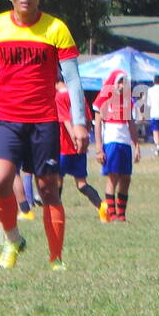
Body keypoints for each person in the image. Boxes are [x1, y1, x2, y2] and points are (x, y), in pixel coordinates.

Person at [0, 0, 86, 270]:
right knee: (2, 180)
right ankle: (12, 240)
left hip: (43, 121)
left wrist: (79, 121)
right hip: (5, 118)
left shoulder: (56, 28)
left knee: (48, 189)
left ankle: (56, 258)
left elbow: (72, 79)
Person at [94, 69, 140, 221]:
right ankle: (111, 214)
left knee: (126, 178)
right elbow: (98, 125)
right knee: (112, 178)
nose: (122, 85)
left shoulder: (128, 100)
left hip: (124, 143)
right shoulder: (104, 98)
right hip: (111, 141)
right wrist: (99, 148)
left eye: (124, 82)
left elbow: (131, 124)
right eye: (119, 82)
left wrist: (137, 146)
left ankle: (122, 214)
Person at [54, 78, 102, 217]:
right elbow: (87, 120)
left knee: (58, 180)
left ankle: (56, 212)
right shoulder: (78, 95)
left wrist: (73, 138)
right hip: (80, 147)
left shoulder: (59, 96)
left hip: (65, 146)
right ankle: (102, 207)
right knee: (82, 184)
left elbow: (65, 120)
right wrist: (84, 138)